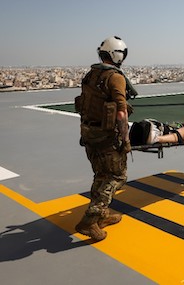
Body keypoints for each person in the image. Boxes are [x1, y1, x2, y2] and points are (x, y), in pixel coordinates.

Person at [74, 36, 136, 242]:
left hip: (89, 133)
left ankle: (102, 215)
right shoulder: (114, 76)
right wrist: (125, 139)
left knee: (101, 174)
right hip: (106, 137)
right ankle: (89, 221)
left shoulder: (91, 74)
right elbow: (121, 113)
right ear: (117, 55)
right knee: (116, 176)